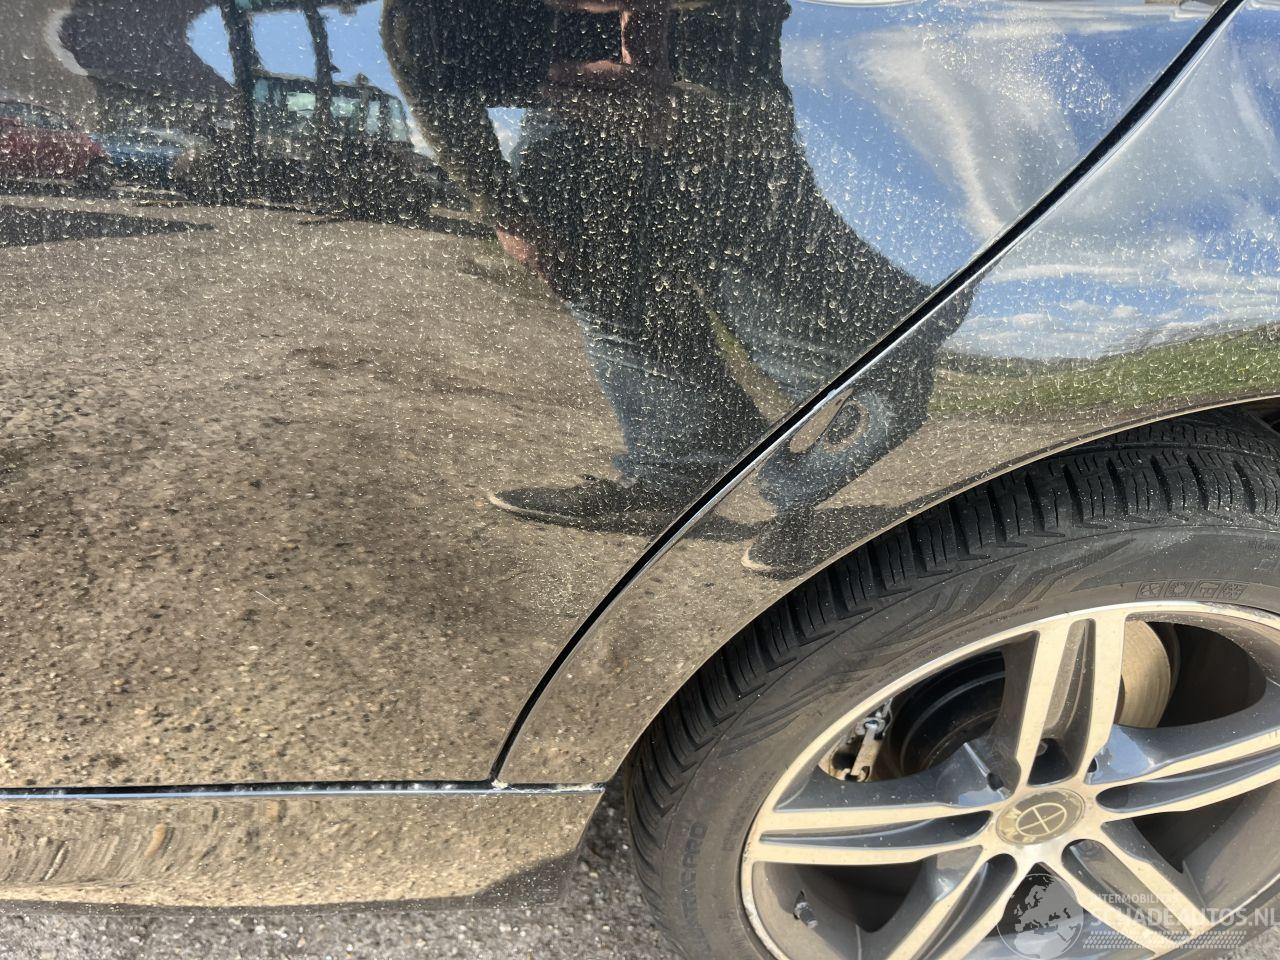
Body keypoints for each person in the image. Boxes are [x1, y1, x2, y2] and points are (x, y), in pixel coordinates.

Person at [384, 0, 962, 569]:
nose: (631, 23)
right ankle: (678, 469)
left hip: (722, 71)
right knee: (614, 304)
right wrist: (507, 212)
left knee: (795, 324)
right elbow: (434, 86)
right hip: (572, 108)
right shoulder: (431, 16)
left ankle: (818, 476)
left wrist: (700, 118)